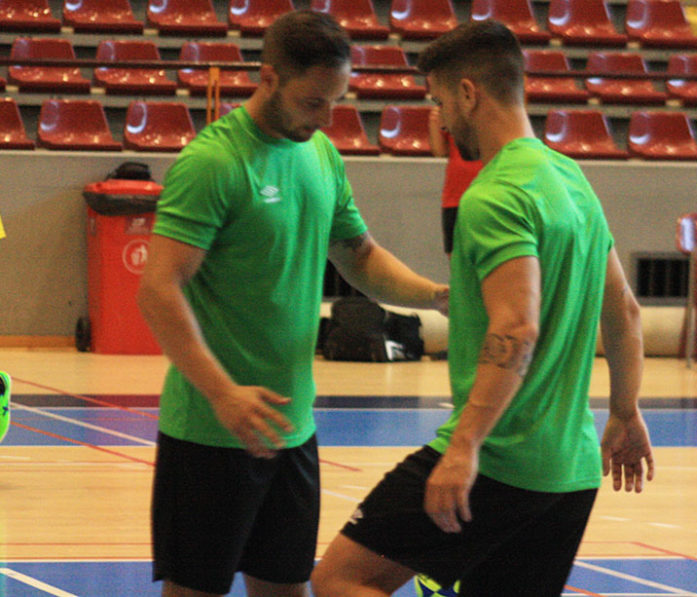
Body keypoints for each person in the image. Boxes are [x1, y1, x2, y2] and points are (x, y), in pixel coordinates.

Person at [312, 20, 654, 597]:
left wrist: (465, 444)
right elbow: (623, 309)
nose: (441, 120)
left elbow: (516, 325)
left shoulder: (494, 194)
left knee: (342, 579)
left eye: (441, 101)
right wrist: (624, 411)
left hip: (499, 460)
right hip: (569, 471)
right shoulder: (569, 179)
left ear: (468, 93)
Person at [137, 10, 448, 597]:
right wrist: (223, 392)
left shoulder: (321, 155)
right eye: (313, 102)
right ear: (269, 77)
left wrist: (435, 297)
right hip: (209, 433)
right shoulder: (214, 164)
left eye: (336, 101)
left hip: (293, 429)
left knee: (285, 589)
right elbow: (158, 290)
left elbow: (360, 257)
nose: (326, 118)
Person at [428, 106, 483, 258]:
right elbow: (440, 151)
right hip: (454, 197)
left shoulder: (490, 109)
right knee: (455, 260)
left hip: (487, 195)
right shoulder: (448, 107)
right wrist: (434, 124)